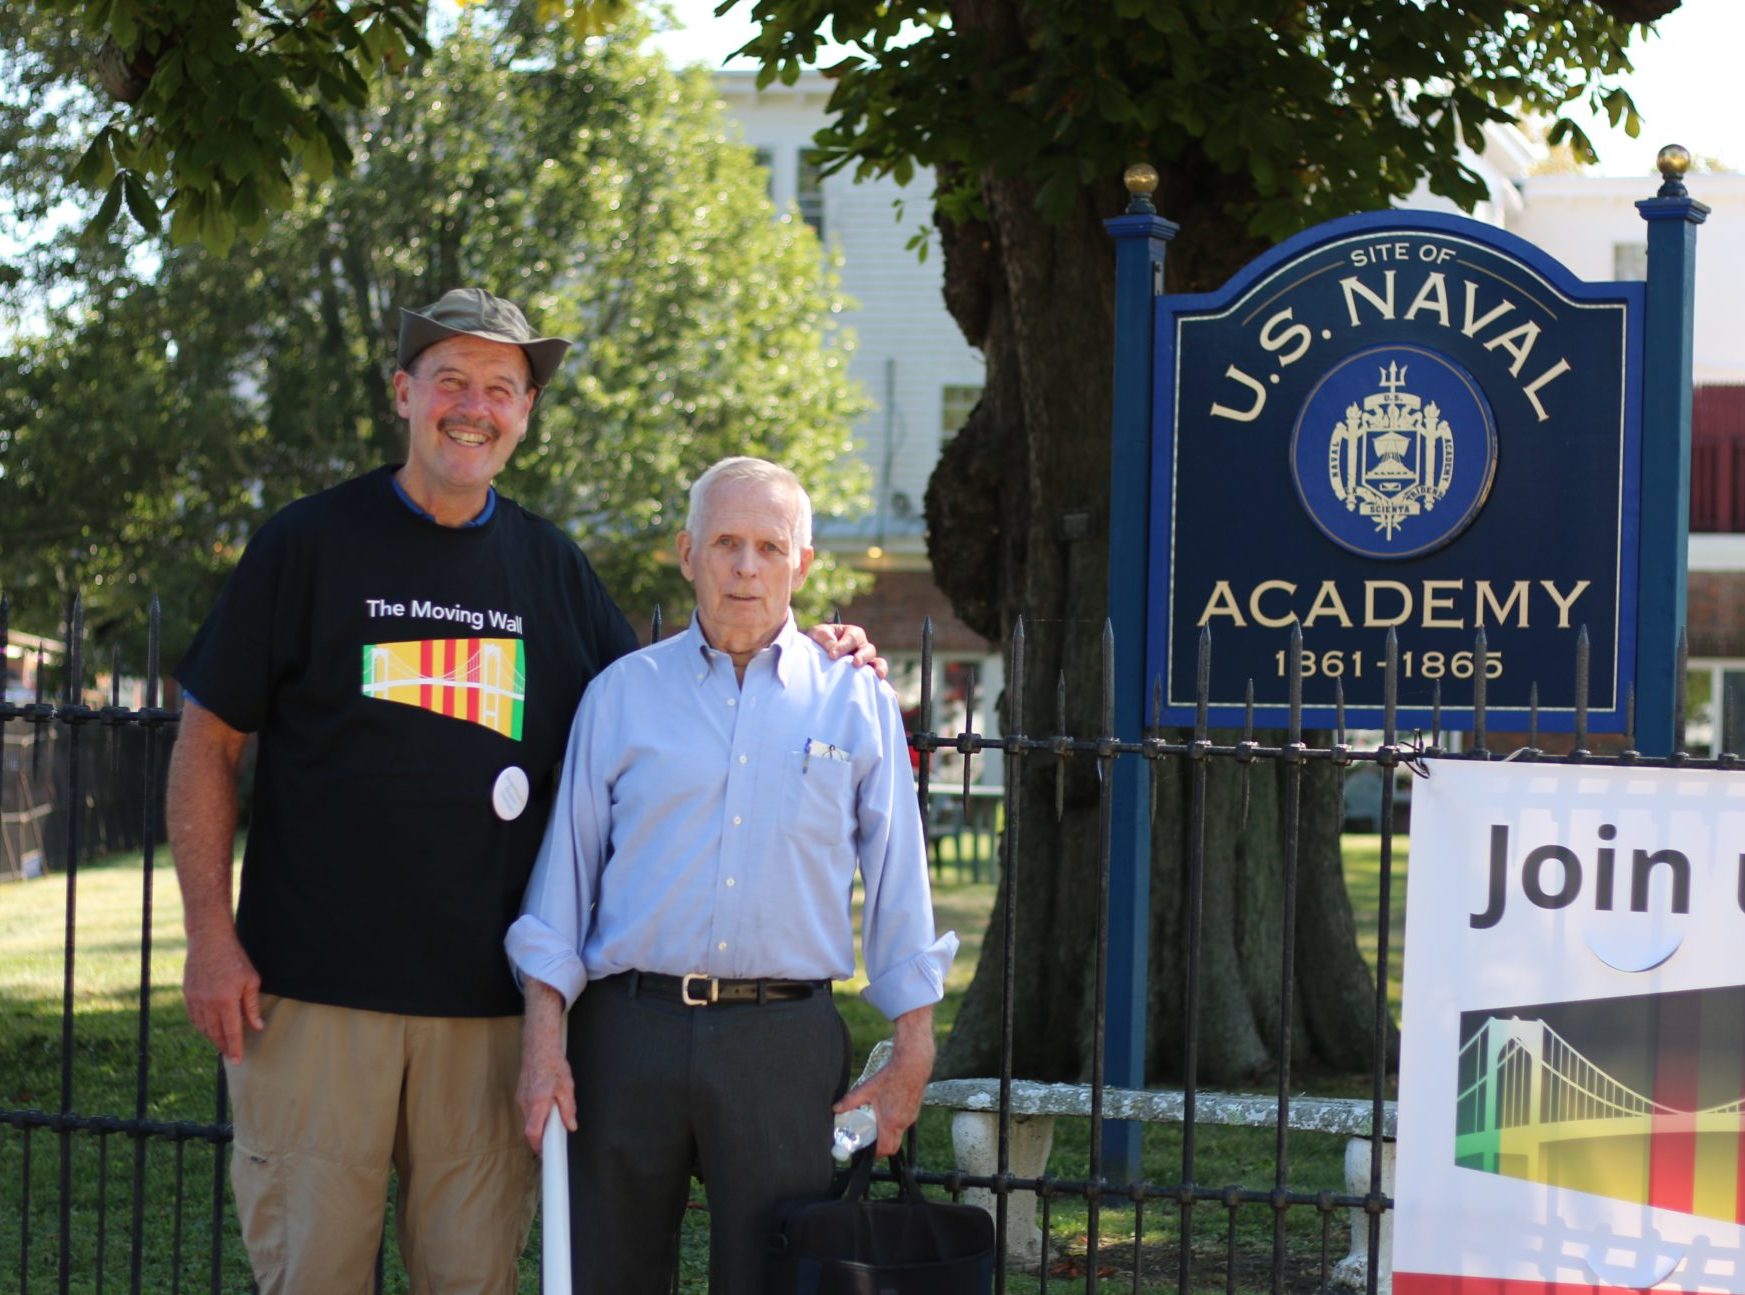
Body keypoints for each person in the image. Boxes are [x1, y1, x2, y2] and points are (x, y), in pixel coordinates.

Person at [167, 291, 881, 1295]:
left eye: (500, 387)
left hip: (487, 1018)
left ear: (524, 413)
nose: (474, 405)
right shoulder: (309, 543)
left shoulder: (549, 566)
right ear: (404, 392)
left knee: (474, 1278)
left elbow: (668, 707)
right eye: (451, 379)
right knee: (312, 1273)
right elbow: (208, 738)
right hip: (315, 1002)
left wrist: (799, 643)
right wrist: (209, 931)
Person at [509, 455, 957, 1295]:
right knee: (608, 1276)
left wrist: (912, 1049)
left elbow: (900, 877)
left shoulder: (852, 700)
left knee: (772, 1281)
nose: (745, 566)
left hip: (781, 1046)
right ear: (687, 553)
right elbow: (562, 882)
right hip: (625, 1034)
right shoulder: (619, 696)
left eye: (767, 545)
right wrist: (543, 1041)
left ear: (803, 564)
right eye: (724, 542)